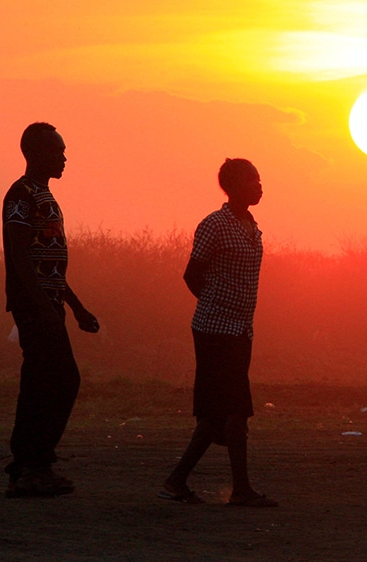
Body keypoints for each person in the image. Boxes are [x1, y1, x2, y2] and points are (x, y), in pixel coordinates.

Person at [160, 158, 277, 507]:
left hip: (239, 330)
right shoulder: (215, 225)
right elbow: (191, 275)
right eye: (253, 180)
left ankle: (177, 480)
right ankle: (237, 490)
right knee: (235, 410)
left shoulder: (250, 226)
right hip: (216, 330)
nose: (259, 186)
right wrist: (216, 304)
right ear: (234, 185)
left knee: (217, 414)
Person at [2, 122, 100, 498]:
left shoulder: (44, 197)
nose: (63, 158)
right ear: (36, 153)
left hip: (49, 305)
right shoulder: (21, 195)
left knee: (52, 381)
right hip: (35, 306)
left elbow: (51, 266)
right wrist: (42, 305)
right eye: (58, 151)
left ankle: (33, 464)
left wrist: (76, 308)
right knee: (52, 381)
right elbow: (20, 255)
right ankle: (29, 466)